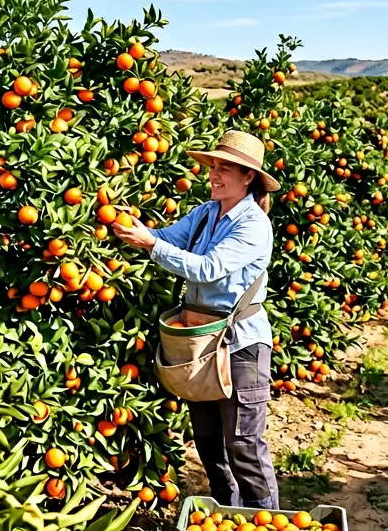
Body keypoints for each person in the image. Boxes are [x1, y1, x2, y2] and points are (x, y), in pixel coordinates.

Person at [112, 130, 281, 510]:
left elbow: (209, 269)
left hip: (241, 345)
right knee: (208, 442)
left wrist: (152, 246)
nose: (214, 175)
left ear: (248, 177)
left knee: (243, 445)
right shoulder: (206, 213)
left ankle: (265, 529)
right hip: (200, 342)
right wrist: (126, 225)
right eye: (213, 166)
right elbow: (163, 237)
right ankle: (228, 518)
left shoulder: (252, 224)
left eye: (225, 169)